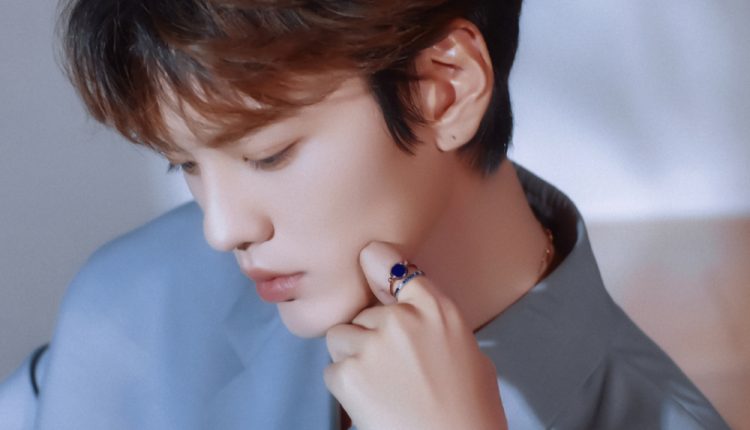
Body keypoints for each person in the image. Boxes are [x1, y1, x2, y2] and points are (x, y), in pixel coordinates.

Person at [0, 0, 730, 429]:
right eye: (185, 164)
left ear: (444, 88)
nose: (222, 229)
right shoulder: (138, 306)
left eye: (268, 154)